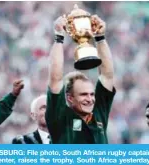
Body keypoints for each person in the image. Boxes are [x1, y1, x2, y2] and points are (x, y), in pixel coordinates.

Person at [46, 15, 116, 144]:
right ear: (69, 98)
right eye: (83, 94)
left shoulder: (98, 114)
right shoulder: (60, 117)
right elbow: (55, 80)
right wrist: (59, 37)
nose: (90, 99)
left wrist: (100, 37)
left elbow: (107, 75)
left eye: (91, 94)